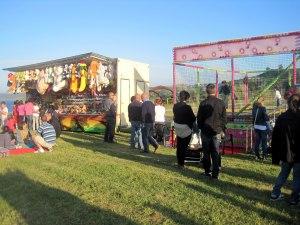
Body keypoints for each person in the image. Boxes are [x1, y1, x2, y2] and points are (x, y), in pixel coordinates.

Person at [270, 94, 300, 205]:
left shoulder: (282, 117)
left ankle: (275, 193)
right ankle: (294, 198)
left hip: (285, 153)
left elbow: (275, 137)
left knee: (283, 173)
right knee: (297, 177)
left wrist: (276, 154)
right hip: (297, 154)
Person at [197, 84, 226, 179]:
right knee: (215, 152)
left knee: (206, 152)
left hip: (206, 131)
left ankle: (207, 171)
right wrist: (221, 129)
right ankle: (215, 173)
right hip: (216, 131)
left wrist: (201, 127)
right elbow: (224, 119)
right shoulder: (221, 103)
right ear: (215, 91)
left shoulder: (203, 103)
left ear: (207, 91)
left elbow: (199, 118)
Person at [173, 91, 196, 168]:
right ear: (187, 98)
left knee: (179, 145)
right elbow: (193, 118)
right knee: (184, 146)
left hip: (177, 127)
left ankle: (179, 162)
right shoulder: (187, 107)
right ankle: (181, 163)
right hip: (185, 128)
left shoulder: (175, 105)